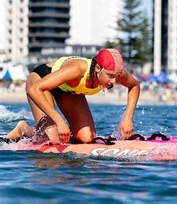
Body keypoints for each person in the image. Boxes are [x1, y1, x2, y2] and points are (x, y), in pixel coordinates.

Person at [6, 48, 140, 144]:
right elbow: (34, 89)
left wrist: (128, 117)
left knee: (86, 138)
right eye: (110, 76)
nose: (114, 81)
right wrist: (59, 121)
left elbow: (134, 86)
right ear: (98, 68)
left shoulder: (116, 73)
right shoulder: (77, 69)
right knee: (50, 138)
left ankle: (66, 131)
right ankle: (23, 129)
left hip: (66, 89)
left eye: (116, 77)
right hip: (42, 80)